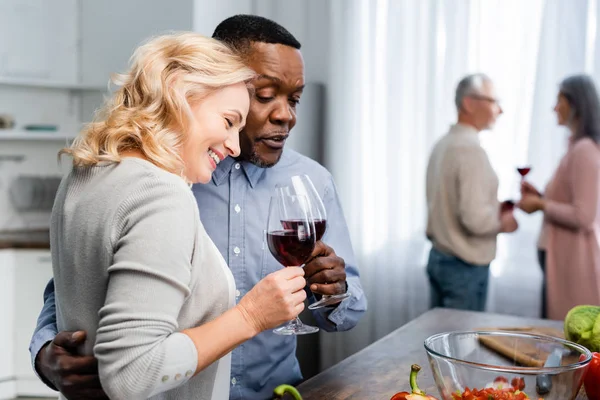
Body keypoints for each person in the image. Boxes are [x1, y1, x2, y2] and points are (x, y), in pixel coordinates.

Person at [30, 15, 367, 400]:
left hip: (275, 390)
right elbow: (81, 287)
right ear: (197, 85)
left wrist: (335, 292)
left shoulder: (87, 170)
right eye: (263, 94)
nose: (285, 115)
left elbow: (351, 307)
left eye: (293, 99)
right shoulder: (170, 186)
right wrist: (44, 351)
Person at [425, 73, 518, 312]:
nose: (500, 110)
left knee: (439, 341)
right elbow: (474, 219)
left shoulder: (443, 144)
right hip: (463, 267)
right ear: (468, 103)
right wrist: (504, 222)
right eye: (493, 101)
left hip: (440, 258)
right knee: (460, 348)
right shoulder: (469, 150)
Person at [519, 74, 600, 320]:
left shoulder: (585, 150)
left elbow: (584, 215)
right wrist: (542, 196)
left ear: (575, 104)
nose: (555, 107)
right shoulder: (576, 148)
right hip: (561, 259)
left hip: (573, 262)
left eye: (559, 100)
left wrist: (542, 204)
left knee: (569, 342)